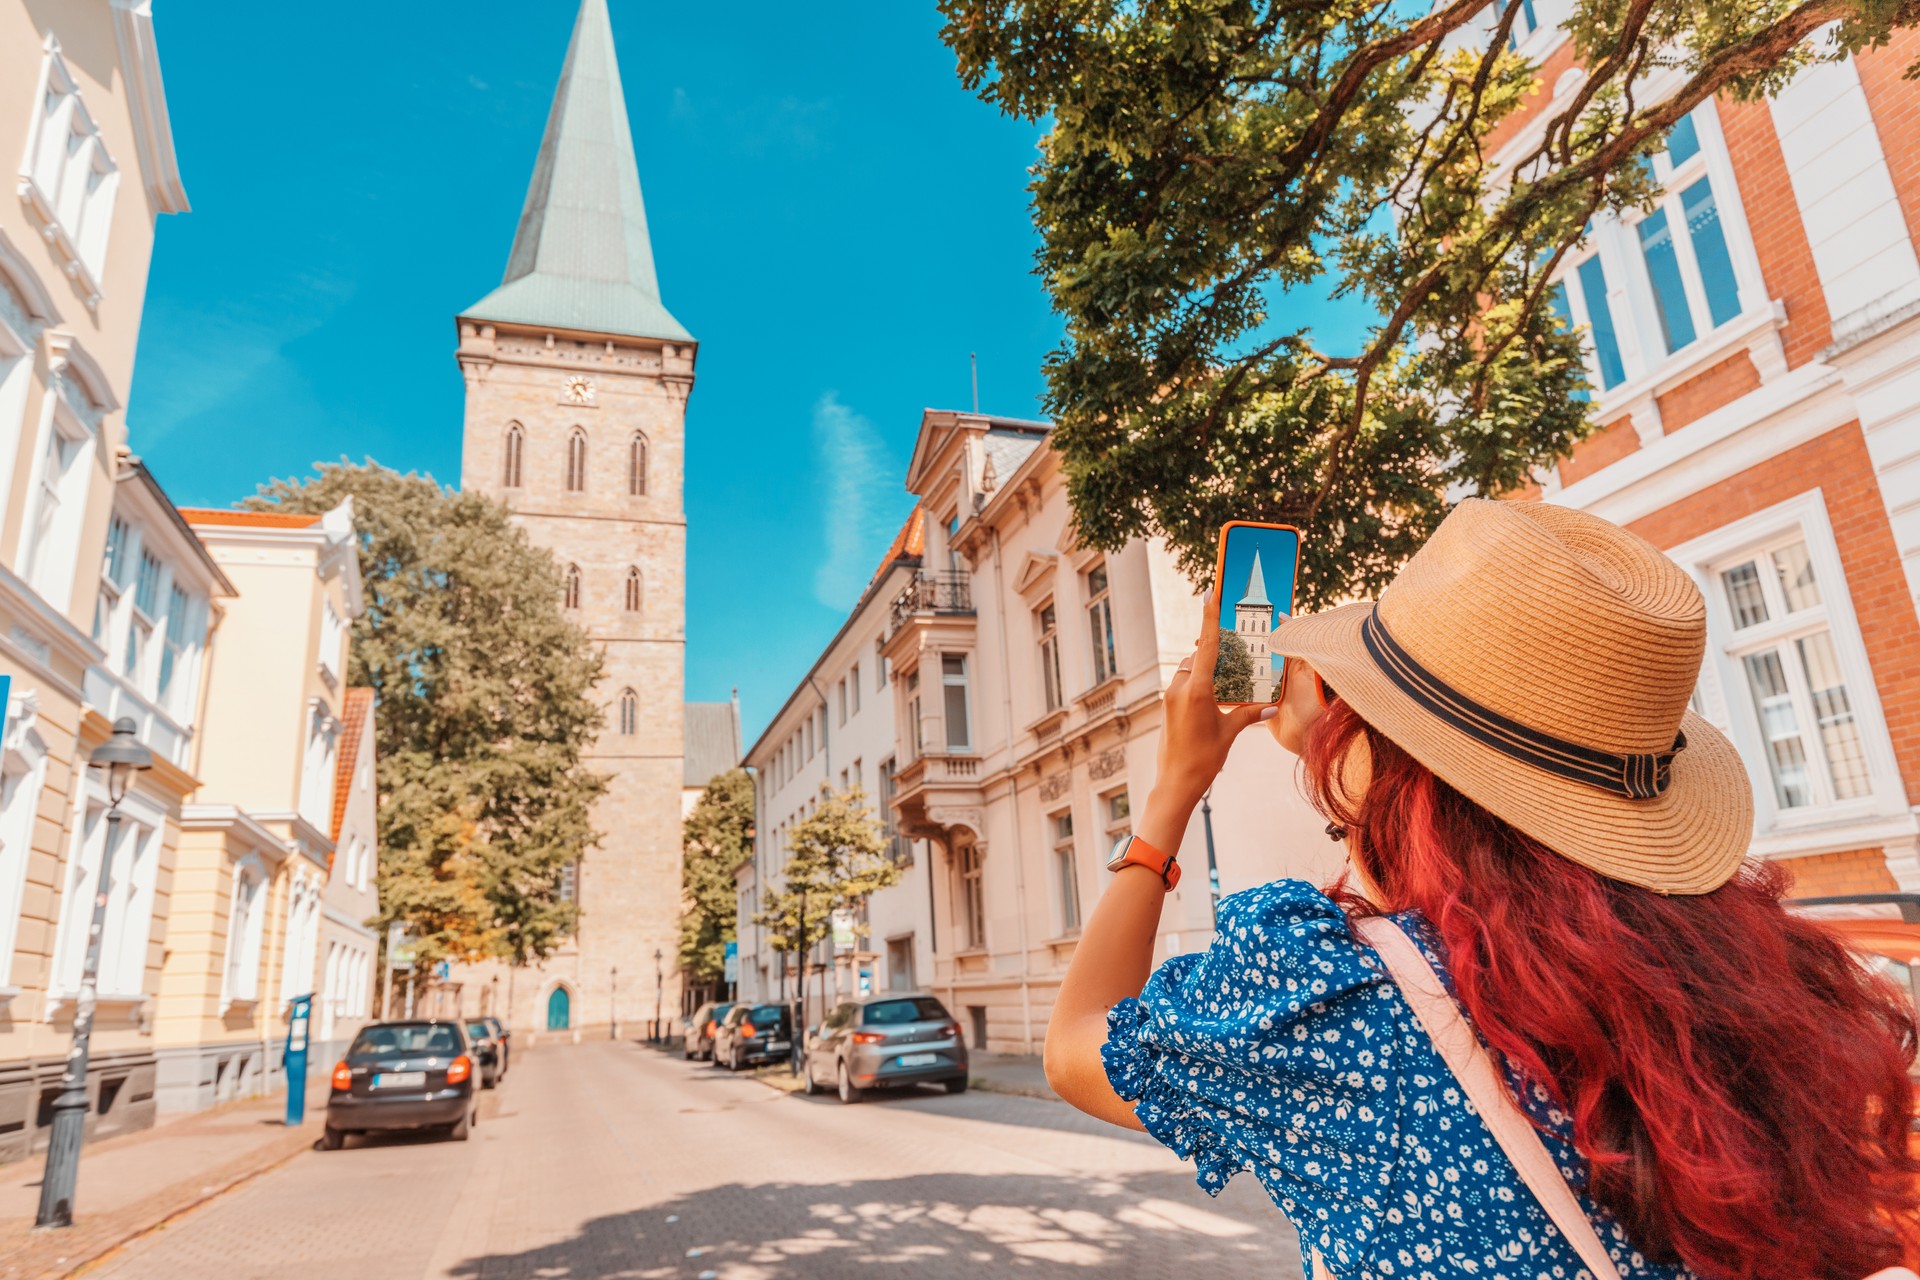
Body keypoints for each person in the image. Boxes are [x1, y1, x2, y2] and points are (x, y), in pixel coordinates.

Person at [1045, 499, 1920, 1279]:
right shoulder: (1751, 984)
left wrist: (1175, 788)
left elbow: (1080, 1046)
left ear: (1389, 765)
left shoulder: (1325, 1003)